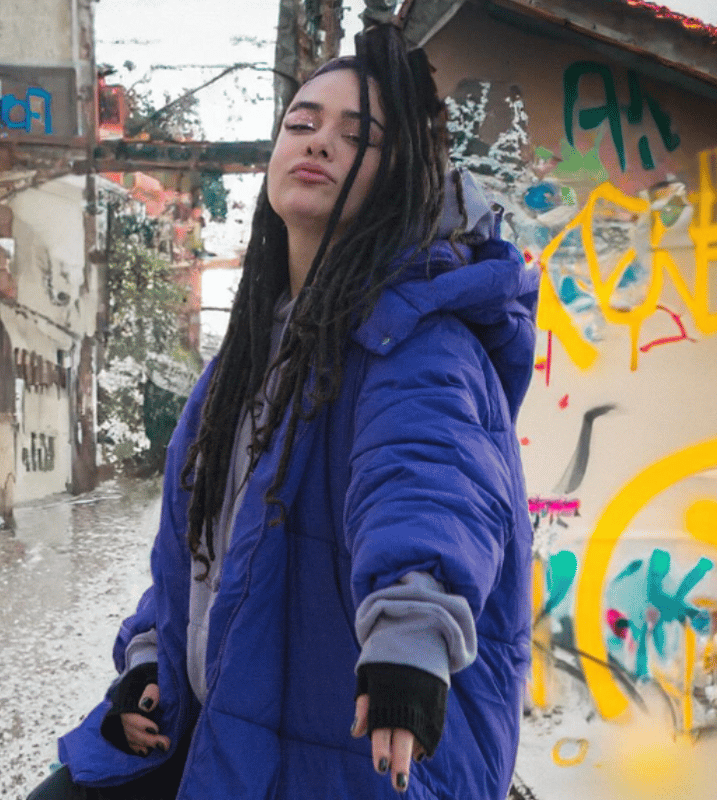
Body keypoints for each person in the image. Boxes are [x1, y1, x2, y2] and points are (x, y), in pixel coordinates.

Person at [27, 22, 538, 800]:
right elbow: (204, 550)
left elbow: (430, 482)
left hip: (354, 754)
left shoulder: (418, 338)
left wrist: (408, 642)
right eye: (302, 124)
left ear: (400, 174)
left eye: (357, 136)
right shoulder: (249, 355)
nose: (320, 142)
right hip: (235, 726)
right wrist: (149, 658)